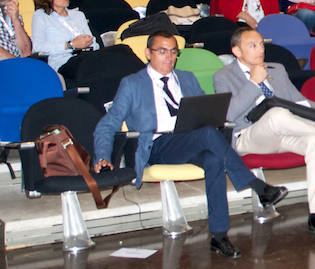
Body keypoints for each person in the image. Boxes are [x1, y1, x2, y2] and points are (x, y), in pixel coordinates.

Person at [92, 30, 284, 258]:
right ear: (148, 53)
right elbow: (108, 124)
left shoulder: (187, 78)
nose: (169, 57)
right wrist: (102, 155)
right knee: (207, 135)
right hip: (157, 144)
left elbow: (207, 111)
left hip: (189, 139)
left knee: (213, 158)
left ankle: (219, 235)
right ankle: (257, 186)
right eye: (162, 51)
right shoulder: (132, 84)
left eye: (174, 52)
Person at [214, 28, 315, 239]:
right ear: (236, 51)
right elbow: (229, 114)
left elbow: (297, 101)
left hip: (282, 133)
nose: (260, 49)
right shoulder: (223, 76)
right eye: (252, 46)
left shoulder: (276, 69)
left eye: (261, 44)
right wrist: (254, 83)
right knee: (277, 113)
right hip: (248, 136)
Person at [29, 0, 97, 73]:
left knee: (121, 50)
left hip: (86, 56)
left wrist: (89, 43)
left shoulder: (78, 15)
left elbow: (93, 43)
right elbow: (38, 46)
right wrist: (71, 45)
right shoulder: (41, 16)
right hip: (63, 62)